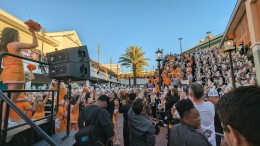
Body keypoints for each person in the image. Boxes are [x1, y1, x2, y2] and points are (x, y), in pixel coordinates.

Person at [0, 27, 38, 123]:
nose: (19, 37)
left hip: (15, 74)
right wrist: (33, 32)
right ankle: (4, 122)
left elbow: (4, 63)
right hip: (14, 74)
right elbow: (35, 44)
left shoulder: (5, 46)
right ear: (14, 35)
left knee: (11, 100)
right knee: (9, 100)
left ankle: (6, 121)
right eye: (18, 35)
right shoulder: (14, 44)